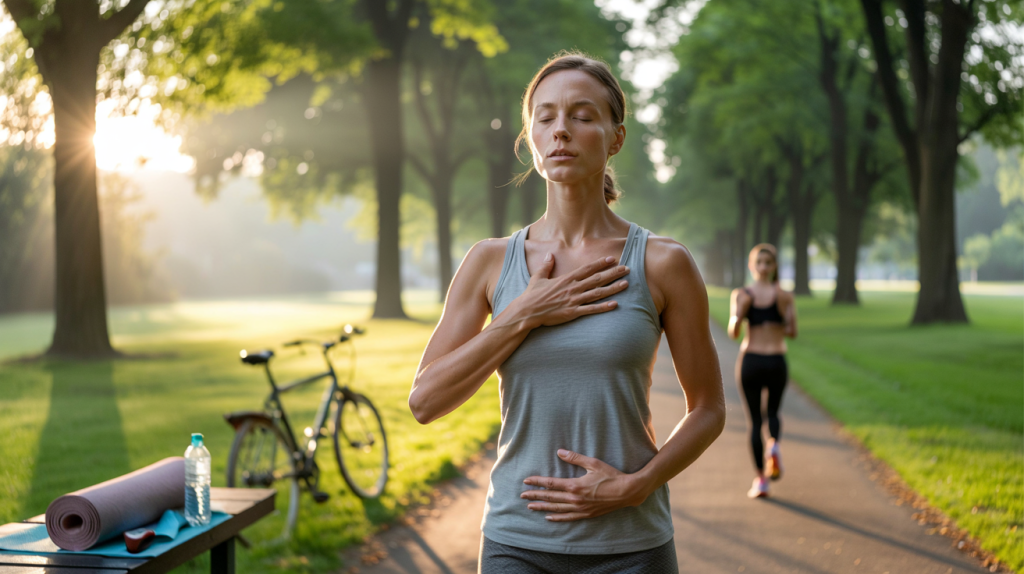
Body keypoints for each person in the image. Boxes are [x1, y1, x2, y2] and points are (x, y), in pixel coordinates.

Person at [408, 52, 726, 573]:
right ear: (529, 138)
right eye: (546, 117)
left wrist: (637, 485)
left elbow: (708, 409)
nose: (561, 131)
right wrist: (522, 315)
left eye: (582, 116)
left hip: (632, 543)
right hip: (517, 540)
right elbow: (425, 401)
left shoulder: (663, 262)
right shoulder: (490, 262)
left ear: (615, 137)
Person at [727, 244, 798, 499]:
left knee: (756, 422)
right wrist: (781, 314)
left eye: (768, 262)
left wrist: (741, 312)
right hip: (773, 361)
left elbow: (733, 333)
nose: (764, 267)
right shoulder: (782, 295)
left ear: (773, 266)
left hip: (754, 361)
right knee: (772, 414)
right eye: (760, 262)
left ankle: (761, 479)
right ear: (752, 265)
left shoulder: (746, 293)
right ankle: (774, 446)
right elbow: (792, 332)